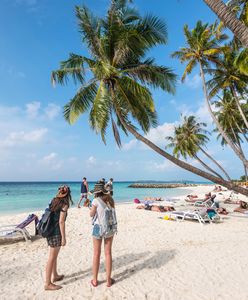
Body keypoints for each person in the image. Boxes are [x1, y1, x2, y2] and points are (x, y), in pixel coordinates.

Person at [44, 185, 73, 291]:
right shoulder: (64, 205)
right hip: (56, 233)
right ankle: (47, 283)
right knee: (52, 257)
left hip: (50, 231)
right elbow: (61, 221)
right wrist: (64, 238)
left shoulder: (54, 200)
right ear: (68, 194)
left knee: (53, 256)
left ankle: (55, 275)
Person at [90, 182, 117, 287]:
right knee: (108, 253)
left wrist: (90, 208)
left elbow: (91, 214)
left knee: (96, 254)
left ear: (96, 192)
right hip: (109, 228)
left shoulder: (95, 200)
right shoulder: (110, 200)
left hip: (98, 228)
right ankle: (108, 280)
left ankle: (95, 280)